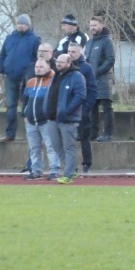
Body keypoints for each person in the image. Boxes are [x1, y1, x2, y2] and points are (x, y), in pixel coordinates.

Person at [0, 14, 41, 142]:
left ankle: (31, 135)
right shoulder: (9, 38)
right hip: (10, 77)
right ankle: (10, 134)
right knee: (11, 106)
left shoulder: (34, 40)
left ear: (28, 25)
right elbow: (3, 54)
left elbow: (37, 58)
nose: (20, 26)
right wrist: (2, 68)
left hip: (26, 78)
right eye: (18, 23)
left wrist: (32, 73)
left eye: (23, 24)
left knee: (26, 106)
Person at [46, 54, 87, 184]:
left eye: (61, 62)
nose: (58, 64)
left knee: (69, 146)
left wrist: (67, 111)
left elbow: (80, 96)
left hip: (68, 119)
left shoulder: (77, 76)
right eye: (57, 62)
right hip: (53, 117)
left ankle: (68, 174)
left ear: (69, 63)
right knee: (56, 146)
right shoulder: (56, 76)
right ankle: (71, 169)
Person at [20, 42, 56, 174]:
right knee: (34, 148)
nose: (38, 69)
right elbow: (25, 100)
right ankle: (35, 171)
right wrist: (24, 114)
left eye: (41, 67)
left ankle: (54, 170)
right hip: (31, 121)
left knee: (51, 146)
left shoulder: (53, 81)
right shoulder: (30, 82)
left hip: (46, 120)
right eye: (36, 67)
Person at [84, 15, 116, 142]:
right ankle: (93, 133)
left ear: (101, 25)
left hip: (103, 79)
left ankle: (108, 133)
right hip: (91, 80)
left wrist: (98, 71)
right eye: (91, 25)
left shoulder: (107, 41)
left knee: (106, 107)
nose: (92, 27)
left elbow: (110, 59)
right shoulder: (90, 42)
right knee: (92, 107)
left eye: (95, 25)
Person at [68, 42, 98, 173]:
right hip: (68, 109)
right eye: (69, 51)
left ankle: (87, 164)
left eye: (73, 52)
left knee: (84, 138)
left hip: (82, 110)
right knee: (68, 140)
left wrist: (86, 109)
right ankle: (70, 165)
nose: (70, 54)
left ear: (80, 53)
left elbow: (92, 90)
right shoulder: (64, 67)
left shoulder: (86, 68)